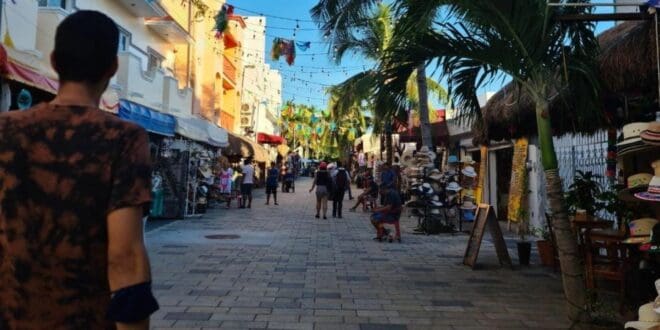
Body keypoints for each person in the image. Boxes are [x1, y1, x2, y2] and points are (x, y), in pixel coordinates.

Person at [0, 11, 158, 329]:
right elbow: (124, 255)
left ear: (55, 61)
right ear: (112, 68)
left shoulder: (6, 130)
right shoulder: (122, 138)